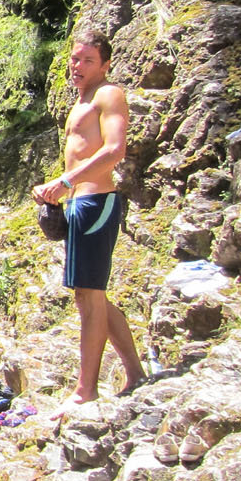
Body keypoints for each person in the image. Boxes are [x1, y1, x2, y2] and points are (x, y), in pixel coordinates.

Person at [31, 30, 145, 417]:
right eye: (75, 59)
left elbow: (115, 150)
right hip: (80, 203)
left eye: (87, 60)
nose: (77, 66)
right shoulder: (80, 100)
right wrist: (58, 191)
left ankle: (85, 391)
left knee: (88, 296)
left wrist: (65, 182)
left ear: (106, 64)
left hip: (96, 203)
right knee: (90, 294)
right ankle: (134, 371)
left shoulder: (107, 95)